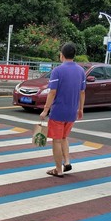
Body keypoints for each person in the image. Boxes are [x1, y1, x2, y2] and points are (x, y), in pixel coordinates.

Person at [39, 42, 86, 178]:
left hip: (58, 111)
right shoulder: (80, 71)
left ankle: (58, 170)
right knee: (64, 137)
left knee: (57, 140)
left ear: (62, 55)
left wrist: (45, 110)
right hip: (72, 111)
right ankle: (67, 161)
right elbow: (82, 92)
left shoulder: (57, 71)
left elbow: (52, 92)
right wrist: (80, 109)